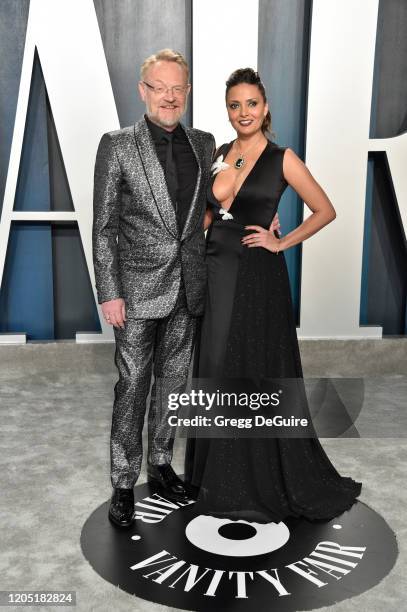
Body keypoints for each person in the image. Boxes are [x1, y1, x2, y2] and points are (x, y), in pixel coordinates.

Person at [184, 68, 362, 523]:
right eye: (234, 105)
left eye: (251, 104)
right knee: (213, 367)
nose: (243, 112)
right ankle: (212, 475)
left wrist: (280, 241)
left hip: (256, 277)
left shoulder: (283, 157)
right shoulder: (220, 153)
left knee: (250, 369)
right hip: (214, 269)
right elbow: (208, 213)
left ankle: (250, 479)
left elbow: (325, 209)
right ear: (228, 110)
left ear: (265, 108)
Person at [92, 49, 216, 528]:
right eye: (159, 87)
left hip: (189, 285)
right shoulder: (117, 144)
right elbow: (104, 226)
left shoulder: (203, 144)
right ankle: (123, 484)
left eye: (177, 87)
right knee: (133, 385)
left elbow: (208, 208)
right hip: (136, 292)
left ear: (186, 92)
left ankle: (160, 464)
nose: (169, 96)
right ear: (142, 91)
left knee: (172, 383)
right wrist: (110, 290)